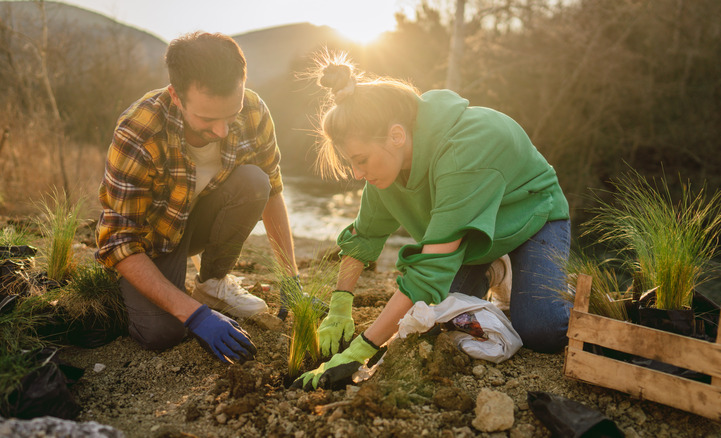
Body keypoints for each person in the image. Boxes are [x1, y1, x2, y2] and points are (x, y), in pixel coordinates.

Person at [293, 54, 571, 390]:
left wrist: (362, 349)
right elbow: (363, 237)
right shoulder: (385, 172)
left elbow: (428, 273)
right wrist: (339, 306)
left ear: (396, 135)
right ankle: (496, 267)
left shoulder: (464, 150)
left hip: (532, 219)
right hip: (469, 240)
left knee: (541, 332)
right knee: (434, 323)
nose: (357, 174)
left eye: (361, 160)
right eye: (352, 163)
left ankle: (547, 284)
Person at [95, 32, 301, 363]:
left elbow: (273, 193)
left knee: (255, 180)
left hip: (201, 220)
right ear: (176, 96)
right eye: (207, 119)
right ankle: (142, 298)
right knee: (162, 334)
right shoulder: (139, 130)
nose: (221, 131)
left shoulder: (253, 111)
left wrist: (290, 278)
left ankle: (213, 284)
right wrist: (194, 316)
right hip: (153, 241)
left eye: (230, 114)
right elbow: (118, 243)